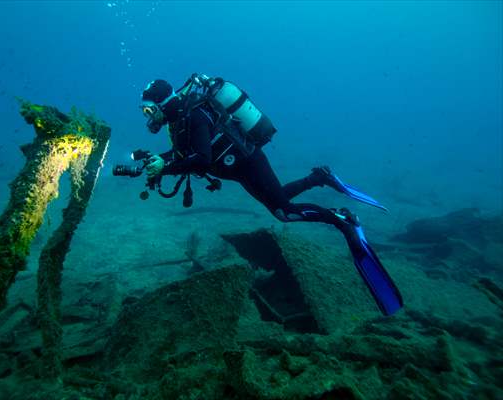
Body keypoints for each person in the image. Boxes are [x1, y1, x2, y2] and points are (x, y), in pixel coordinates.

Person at [138, 76, 403, 315]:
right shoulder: (179, 122)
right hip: (238, 168)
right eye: (145, 111)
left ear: (164, 104)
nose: (149, 116)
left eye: (150, 109)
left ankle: (342, 219)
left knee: (283, 211)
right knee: (277, 200)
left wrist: (166, 167)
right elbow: (186, 154)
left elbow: (202, 160)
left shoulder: (193, 115)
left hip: (247, 161)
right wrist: (158, 163)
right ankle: (320, 178)